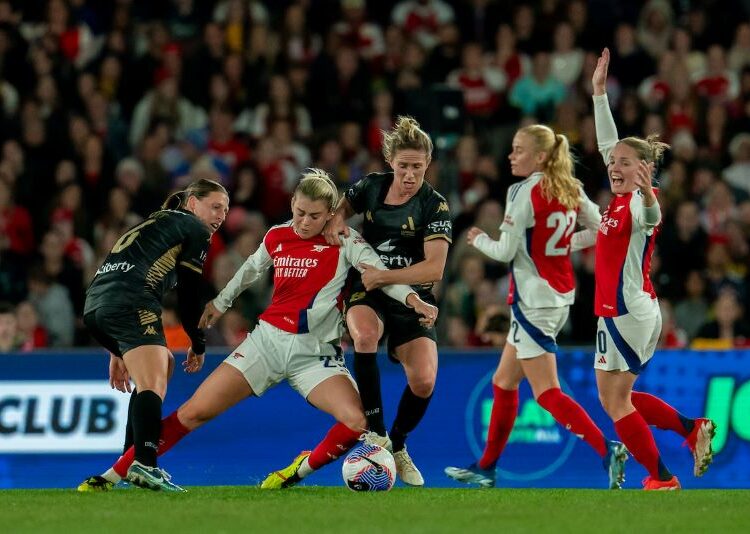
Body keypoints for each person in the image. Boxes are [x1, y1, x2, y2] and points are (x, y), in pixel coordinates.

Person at [78, 170, 438, 491]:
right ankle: (113, 475)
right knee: (193, 413)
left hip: (315, 354)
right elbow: (250, 270)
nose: (304, 222)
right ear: (292, 204)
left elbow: (380, 274)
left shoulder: (346, 240)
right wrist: (220, 304)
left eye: (314, 216)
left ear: (331, 213)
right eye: (299, 212)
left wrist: (413, 301)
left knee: (357, 421)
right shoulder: (279, 235)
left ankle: (295, 472)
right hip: (264, 345)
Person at [445, 123, 629, 489]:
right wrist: (561, 246)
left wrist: (479, 239)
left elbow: (506, 252)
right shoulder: (570, 187)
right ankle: (487, 466)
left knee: (547, 394)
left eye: (518, 149)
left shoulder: (523, 192)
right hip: (557, 298)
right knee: (504, 381)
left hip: (534, 302)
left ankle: (607, 449)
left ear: (540, 156)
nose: (511, 155)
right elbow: (601, 229)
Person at [590, 48, 715, 490]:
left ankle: (662, 477)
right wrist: (600, 93)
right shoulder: (619, 194)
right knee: (614, 397)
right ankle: (689, 428)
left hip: (629, 311)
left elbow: (649, 219)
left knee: (615, 401)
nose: (615, 166)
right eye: (614, 161)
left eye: (625, 162)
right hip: (623, 309)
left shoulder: (643, 204)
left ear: (644, 170)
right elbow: (609, 144)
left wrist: (645, 193)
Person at [78, 178, 230, 492]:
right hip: (131, 303)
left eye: (225, 210)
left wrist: (116, 348)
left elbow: (118, 270)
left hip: (94, 307)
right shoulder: (195, 230)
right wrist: (198, 342)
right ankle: (146, 464)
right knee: (153, 383)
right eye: (215, 206)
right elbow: (189, 295)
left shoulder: (155, 222)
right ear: (192, 203)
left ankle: (127, 464)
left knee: (163, 366)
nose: (220, 216)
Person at [323, 116, 452, 486]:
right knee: (364, 336)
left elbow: (435, 268)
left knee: (424, 381)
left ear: (428, 164)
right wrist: (336, 221)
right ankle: (375, 434)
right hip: (368, 290)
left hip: (411, 297)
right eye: (403, 166)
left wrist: (386, 276)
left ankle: (397, 443)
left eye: (417, 167)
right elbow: (342, 209)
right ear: (390, 162)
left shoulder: (435, 205)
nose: (410, 175)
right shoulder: (373, 187)